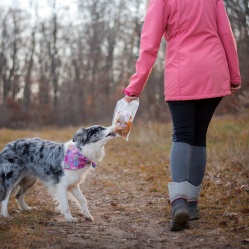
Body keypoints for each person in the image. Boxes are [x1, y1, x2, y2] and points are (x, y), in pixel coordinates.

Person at [123, 0, 241, 231]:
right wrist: (234, 75)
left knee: (182, 133)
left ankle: (179, 202)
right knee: (198, 136)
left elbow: (150, 45)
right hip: (214, 69)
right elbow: (227, 34)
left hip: (183, 71)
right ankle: (193, 203)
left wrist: (134, 87)